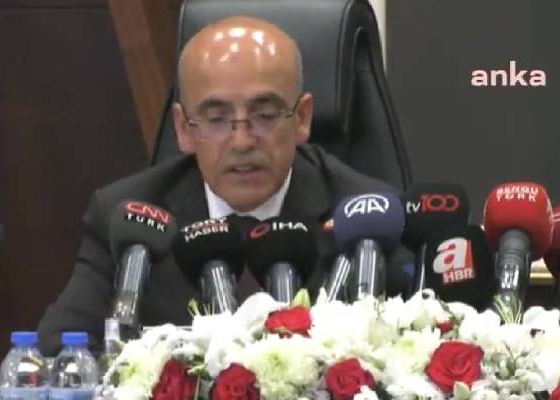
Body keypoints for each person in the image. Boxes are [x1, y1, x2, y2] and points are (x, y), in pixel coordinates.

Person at [37, 16, 409, 356]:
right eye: (216, 119)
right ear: (183, 128)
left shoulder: (367, 220)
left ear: (302, 118)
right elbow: (58, 352)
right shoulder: (129, 218)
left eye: (265, 115)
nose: (242, 141)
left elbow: (420, 349)